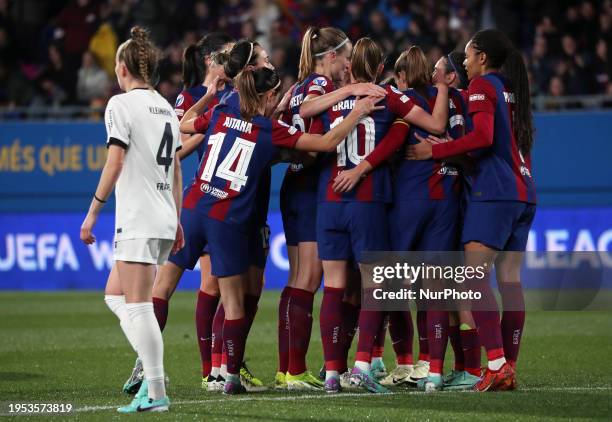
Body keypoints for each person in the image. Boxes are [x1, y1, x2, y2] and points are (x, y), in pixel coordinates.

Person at [179, 66, 383, 394]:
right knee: (235, 300)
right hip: (229, 218)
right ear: (271, 95)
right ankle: (232, 376)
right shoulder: (270, 129)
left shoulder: (221, 112)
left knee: (163, 290)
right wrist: (355, 108)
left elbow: (184, 123)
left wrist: (206, 95)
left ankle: (159, 373)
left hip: (193, 206)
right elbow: (326, 143)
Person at [311, 37, 449, 394]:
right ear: (379, 68)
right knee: (376, 288)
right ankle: (361, 367)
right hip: (367, 201)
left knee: (334, 288)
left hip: (329, 199)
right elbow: (432, 127)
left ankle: (331, 373)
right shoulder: (389, 98)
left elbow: (305, 115)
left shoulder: (332, 100)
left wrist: (345, 93)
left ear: (349, 67)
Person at [408, 28, 536, 392]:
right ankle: (508, 365)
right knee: (510, 282)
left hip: (493, 192)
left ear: (482, 56)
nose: (464, 61)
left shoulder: (482, 86)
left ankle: (495, 364)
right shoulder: (513, 90)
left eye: (467, 55)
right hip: (524, 190)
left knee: (473, 281)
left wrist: (436, 150)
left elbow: (481, 138)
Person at [151, 39, 273, 393]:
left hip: (242, 200)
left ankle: (229, 364)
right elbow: (178, 142)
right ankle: (215, 368)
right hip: (219, 201)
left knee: (249, 286)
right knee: (215, 285)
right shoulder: (199, 99)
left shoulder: (241, 101)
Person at [276, 25, 385, 391]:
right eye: (348, 54)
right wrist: (352, 90)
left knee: (307, 280)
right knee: (309, 279)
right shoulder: (319, 86)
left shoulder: (300, 85)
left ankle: (299, 367)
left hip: (305, 185)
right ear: (333, 56)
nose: (351, 63)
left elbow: (286, 116)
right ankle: (295, 369)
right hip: (312, 187)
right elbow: (307, 110)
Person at [80, 26, 182, 413]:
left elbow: (115, 161)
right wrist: (179, 219)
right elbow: (175, 170)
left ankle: (155, 389)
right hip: (162, 216)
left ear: (122, 68)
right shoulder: (167, 108)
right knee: (114, 295)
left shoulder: (120, 105)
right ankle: (153, 372)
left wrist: (92, 211)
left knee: (139, 307)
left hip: (138, 218)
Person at [145, 31, 234, 393]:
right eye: (229, 55)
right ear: (212, 59)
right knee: (164, 283)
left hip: (220, 201)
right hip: (191, 201)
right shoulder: (190, 97)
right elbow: (176, 150)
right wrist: (212, 123)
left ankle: (211, 370)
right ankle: (144, 361)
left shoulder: (235, 95)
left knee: (211, 285)